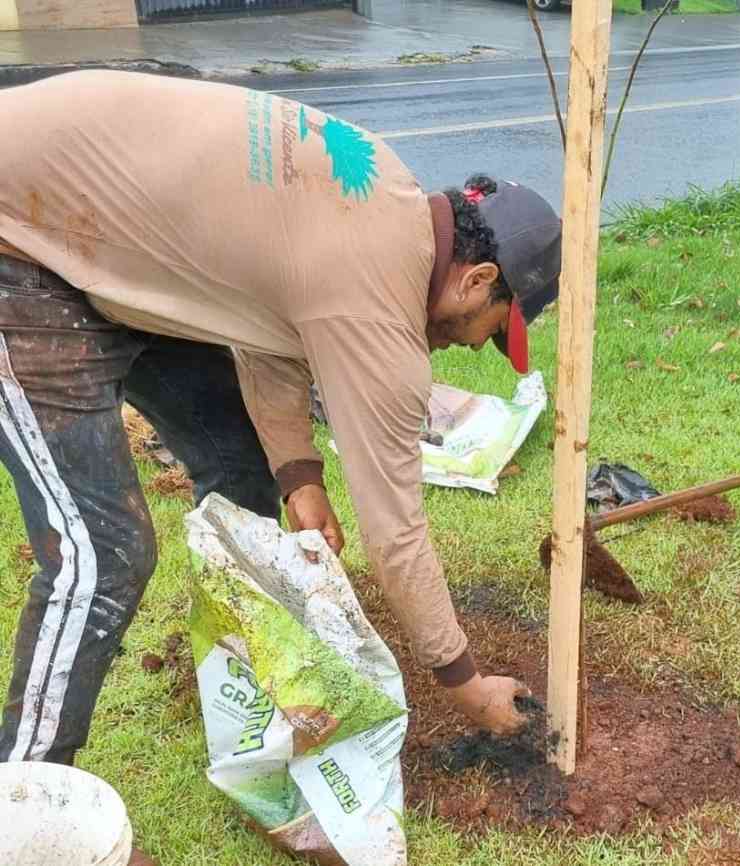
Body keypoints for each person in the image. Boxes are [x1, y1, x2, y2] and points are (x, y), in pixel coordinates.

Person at [0, 71, 561, 865]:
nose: (475, 347)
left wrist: (299, 472)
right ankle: (28, 812)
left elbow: (260, 318)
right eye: (490, 328)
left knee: (242, 471)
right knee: (102, 554)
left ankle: (258, 709)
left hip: (107, 245)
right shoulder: (375, 301)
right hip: (22, 250)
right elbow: (395, 532)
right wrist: (463, 682)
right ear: (476, 279)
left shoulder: (389, 200)